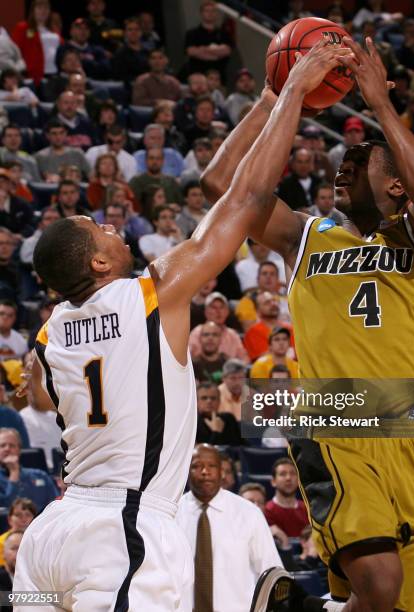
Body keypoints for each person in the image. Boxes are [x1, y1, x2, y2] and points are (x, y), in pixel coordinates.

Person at [12, 38, 353, 610]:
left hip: (51, 533)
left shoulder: (49, 330)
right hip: (123, 526)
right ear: (98, 264)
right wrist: (290, 91)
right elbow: (243, 198)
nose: (115, 230)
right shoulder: (149, 295)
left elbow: (44, 399)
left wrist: (267, 98)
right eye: (102, 230)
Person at [201, 36, 414, 612]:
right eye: (340, 162)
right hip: (334, 419)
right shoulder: (305, 236)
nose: (340, 171)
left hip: (410, 440)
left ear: (396, 185)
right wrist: (278, 97)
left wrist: (381, 104)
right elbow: (219, 186)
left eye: (358, 164)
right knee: (380, 585)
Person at [176, 444, 282, 612]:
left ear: (222, 472)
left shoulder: (249, 513)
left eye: (212, 466)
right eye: (196, 466)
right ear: (185, 471)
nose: (205, 471)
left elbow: (271, 573)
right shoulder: (171, 514)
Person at [0, 428, 57, 511]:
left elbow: (55, 505)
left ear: (19, 450)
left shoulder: (40, 475)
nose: (7, 449)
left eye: (12, 445)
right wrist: (14, 472)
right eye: (2, 445)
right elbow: (8, 509)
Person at [11, 0, 61, 84]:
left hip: (54, 74)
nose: (43, 11)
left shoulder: (54, 30)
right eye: (39, 8)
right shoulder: (23, 28)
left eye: (46, 8)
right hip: (33, 76)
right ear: (33, 10)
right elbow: (14, 50)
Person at [189, 292, 249, 362]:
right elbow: (187, 359)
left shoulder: (232, 334)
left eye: (221, 307)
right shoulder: (197, 332)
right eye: (214, 307)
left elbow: (244, 359)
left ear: (227, 311)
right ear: (206, 311)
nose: (218, 311)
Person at [184, 0, 233, 81]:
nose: (210, 13)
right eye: (207, 11)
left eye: (213, 11)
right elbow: (191, 51)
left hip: (219, 78)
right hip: (198, 77)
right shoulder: (192, 33)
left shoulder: (224, 33)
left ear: (216, 13)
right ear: (201, 13)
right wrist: (215, 54)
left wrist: (203, 49)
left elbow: (227, 50)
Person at [264, 458, 309, 538]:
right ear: (273, 481)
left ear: (299, 481)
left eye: (292, 473)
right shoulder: (266, 511)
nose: (288, 478)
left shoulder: (308, 509)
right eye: (282, 474)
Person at [243, 292, 293, 362]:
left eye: (274, 301)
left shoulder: (290, 329)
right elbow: (262, 359)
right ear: (257, 311)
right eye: (267, 303)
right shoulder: (253, 333)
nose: (273, 304)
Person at [111, 17, 149, 84]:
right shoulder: (120, 53)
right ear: (125, 33)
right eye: (130, 30)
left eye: (137, 29)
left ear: (141, 32)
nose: (133, 32)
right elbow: (119, 77)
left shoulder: (148, 52)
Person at [0, 499, 35, 566]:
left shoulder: (39, 540)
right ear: (9, 519)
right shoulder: (1, 543)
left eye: (28, 515)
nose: (24, 519)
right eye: (18, 515)